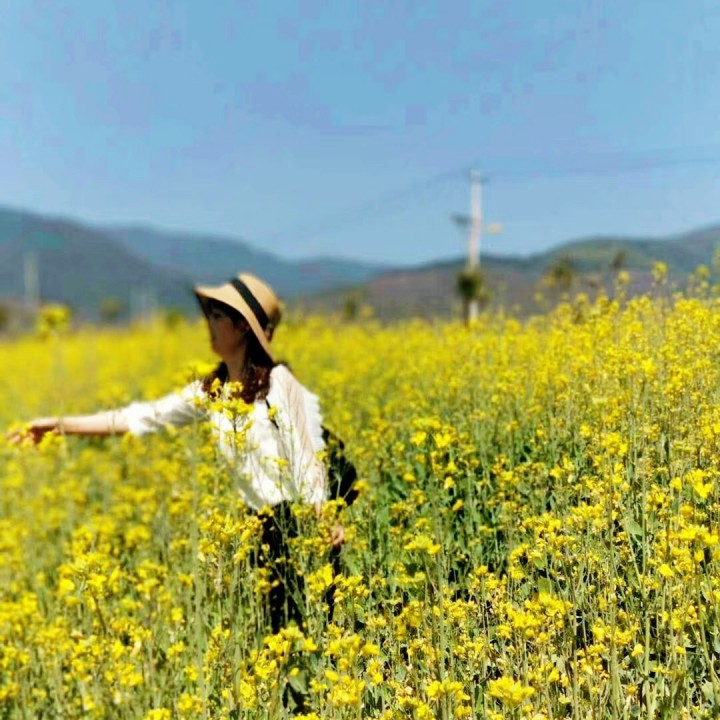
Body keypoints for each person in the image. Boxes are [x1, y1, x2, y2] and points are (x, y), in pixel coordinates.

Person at [11, 272, 343, 632]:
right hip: (259, 527)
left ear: (243, 327)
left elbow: (307, 453)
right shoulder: (214, 391)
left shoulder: (279, 383)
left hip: (300, 525)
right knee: (278, 631)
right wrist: (59, 425)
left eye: (218, 315)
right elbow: (142, 417)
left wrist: (323, 516)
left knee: (316, 630)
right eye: (209, 314)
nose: (209, 324)